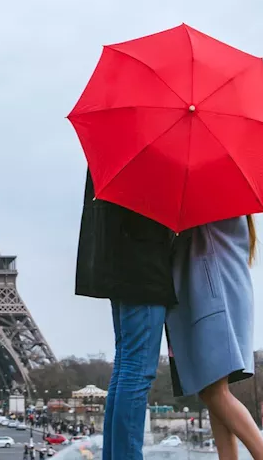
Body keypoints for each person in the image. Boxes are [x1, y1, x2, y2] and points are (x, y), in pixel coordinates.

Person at [75, 170, 177, 460]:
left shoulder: (118, 148)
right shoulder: (153, 157)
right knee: (136, 373)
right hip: (142, 271)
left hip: (122, 268)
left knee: (126, 369)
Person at [164, 215, 263, 460]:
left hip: (212, 299)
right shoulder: (232, 207)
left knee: (213, 392)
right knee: (214, 390)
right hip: (223, 294)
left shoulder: (208, 208)